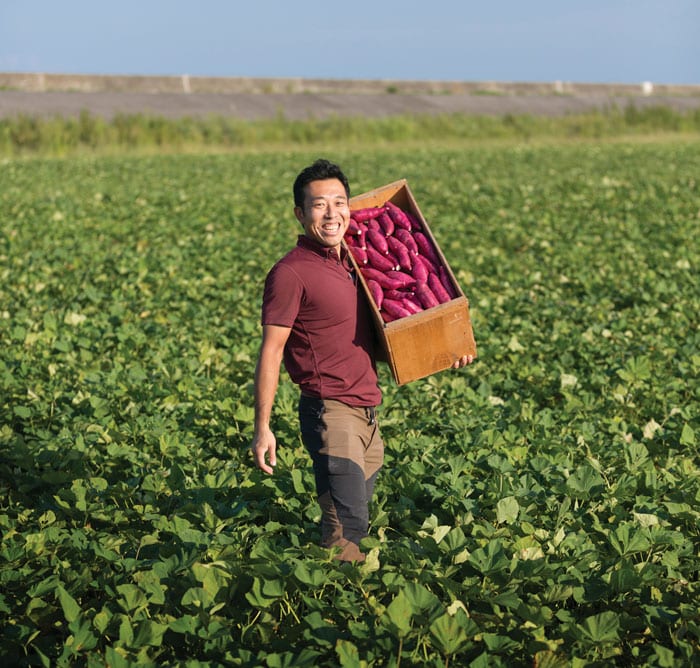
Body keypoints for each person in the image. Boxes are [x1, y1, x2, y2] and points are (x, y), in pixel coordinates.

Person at [250, 158, 473, 563]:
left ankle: (339, 591)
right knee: (345, 529)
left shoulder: (355, 267)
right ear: (300, 214)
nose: (331, 213)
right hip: (330, 413)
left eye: (339, 202)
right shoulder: (290, 273)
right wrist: (262, 427)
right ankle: (336, 605)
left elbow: (379, 342)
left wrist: (444, 352)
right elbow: (271, 352)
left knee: (356, 522)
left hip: (368, 415)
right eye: (319, 205)